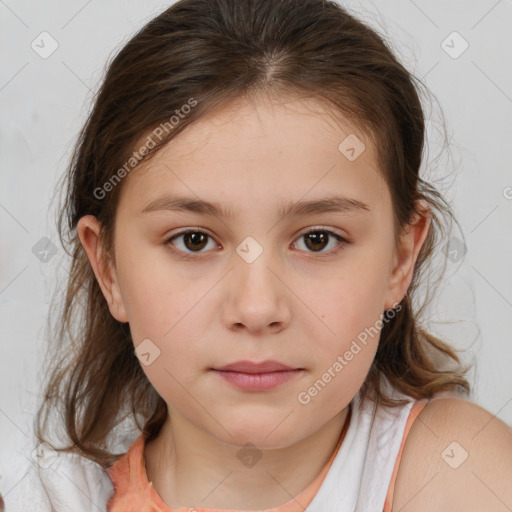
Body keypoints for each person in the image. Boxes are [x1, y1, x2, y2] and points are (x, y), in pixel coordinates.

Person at [8, 0, 512, 510]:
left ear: (400, 258)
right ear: (109, 269)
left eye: (318, 239)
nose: (257, 309)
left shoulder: (458, 471)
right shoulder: (43, 500)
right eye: (194, 240)